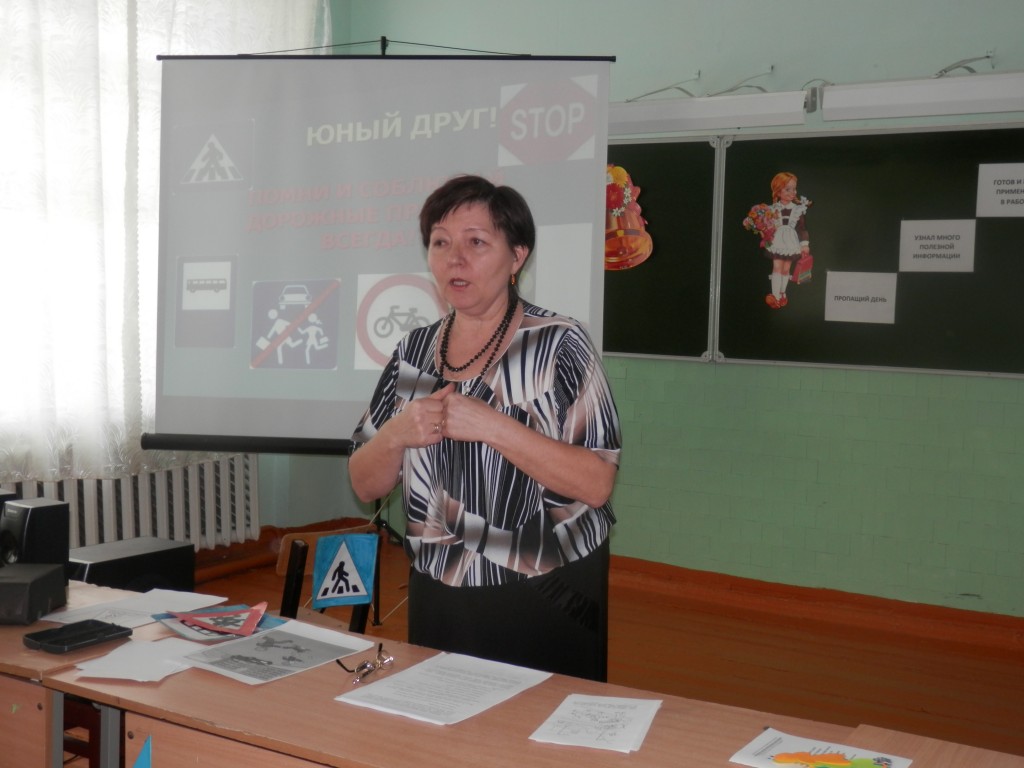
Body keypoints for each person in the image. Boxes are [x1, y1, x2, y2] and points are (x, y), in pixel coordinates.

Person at [349, 174, 621, 681]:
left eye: (476, 242)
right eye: (440, 243)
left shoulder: (560, 343)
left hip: (546, 585)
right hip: (438, 582)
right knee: (442, 716)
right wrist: (396, 435)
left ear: (517, 256)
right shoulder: (413, 351)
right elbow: (365, 484)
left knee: (536, 724)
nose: (455, 259)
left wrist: (495, 426)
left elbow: (597, 482)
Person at [763, 171, 811, 309]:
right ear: (778, 192)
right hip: (777, 240)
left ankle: (782, 293)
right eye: (788, 189)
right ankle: (775, 296)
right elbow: (767, 225)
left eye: (794, 189)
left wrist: (804, 244)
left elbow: (802, 228)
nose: (792, 192)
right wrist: (765, 231)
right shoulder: (772, 209)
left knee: (786, 269)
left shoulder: (798, 209)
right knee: (777, 267)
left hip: (791, 241)